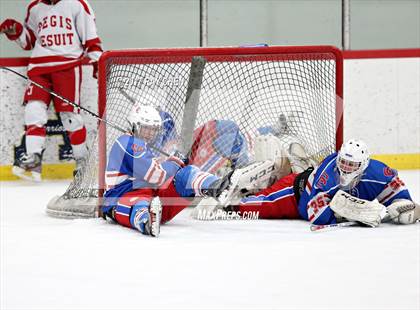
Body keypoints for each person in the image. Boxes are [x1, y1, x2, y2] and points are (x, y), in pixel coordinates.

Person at [200, 139, 420, 226]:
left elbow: (400, 195)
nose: (345, 168)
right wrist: (354, 212)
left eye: (352, 166)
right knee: (258, 206)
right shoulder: (328, 173)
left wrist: (404, 208)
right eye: (343, 162)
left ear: (363, 165)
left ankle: (295, 164)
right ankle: (224, 201)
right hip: (295, 194)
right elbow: (314, 215)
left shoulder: (378, 172)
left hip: (309, 187)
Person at [0, 0, 103, 181]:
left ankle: (82, 161)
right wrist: (15, 31)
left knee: (69, 117)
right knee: (33, 110)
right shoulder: (35, 7)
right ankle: (33, 158)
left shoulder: (77, 4)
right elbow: (29, 41)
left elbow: (90, 38)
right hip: (39, 68)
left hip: (67, 66)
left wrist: (97, 61)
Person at [101, 104, 231, 237]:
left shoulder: (140, 144)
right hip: (121, 197)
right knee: (140, 204)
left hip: (154, 199)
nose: (150, 133)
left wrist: (172, 162)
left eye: (153, 129)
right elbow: (155, 175)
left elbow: (151, 172)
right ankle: (146, 221)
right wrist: (175, 162)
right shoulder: (128, 142)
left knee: (186, 174)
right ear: (135, 124)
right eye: (146, 128)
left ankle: (218, 187)